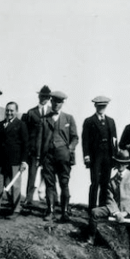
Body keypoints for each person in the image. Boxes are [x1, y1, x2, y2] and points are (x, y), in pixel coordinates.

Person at [89, 149, 130, 259]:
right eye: (118, 162)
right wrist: (116, 213)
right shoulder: (111, 181)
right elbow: (110, 199)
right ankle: (91, 239)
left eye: (123, 163)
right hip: (115, 211)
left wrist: (126, 213)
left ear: (127, 164)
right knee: (95, 212)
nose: (120, 165)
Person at [41, 90, 79, 223]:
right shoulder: (45, 119)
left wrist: (70, 148)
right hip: (48, 157)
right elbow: (40, 139)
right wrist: (40, 157)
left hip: (63, 156)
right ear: (51, 102)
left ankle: (64, 212)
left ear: (62, 103)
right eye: (55, 101)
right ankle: (50, 210)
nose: (57, 104)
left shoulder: (69, 118)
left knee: (64, 183)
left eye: (60, 102)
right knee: (49, 184)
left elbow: (75, 138)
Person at [81, 96, 118, 231]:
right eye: (99, 106)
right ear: (95, 106)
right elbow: (85, 140)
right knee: (95, 182)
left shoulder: (110, 121)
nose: (101, 108)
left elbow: (114, 140)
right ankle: (91, 208)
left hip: (107, 156)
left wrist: (115, 156)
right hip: (95, 156)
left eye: (103, 106)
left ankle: (102, 208)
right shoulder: (89, 121)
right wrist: (86, 156)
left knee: (105, 182)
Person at [0, 101, 29, 218]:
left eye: (12, 110)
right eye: (7, 110)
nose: (9, 113)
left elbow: (26, 145)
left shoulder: (21, 125)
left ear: (16, 112)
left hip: (15, 161)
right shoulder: (0, 125)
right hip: (0, 162)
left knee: (15, 186)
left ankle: (16, 210)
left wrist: (24, 161)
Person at [21, 85, 54, 214]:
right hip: (34, 150)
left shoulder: (53, 113)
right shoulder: (31, 112)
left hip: (48, 150)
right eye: (42, 96)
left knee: (48, 176)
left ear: (49, 98)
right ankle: (28, 199)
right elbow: (26, 132)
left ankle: (48, 203)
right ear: (38, 96)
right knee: (32, 175)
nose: (44, 99)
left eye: (46, 97)